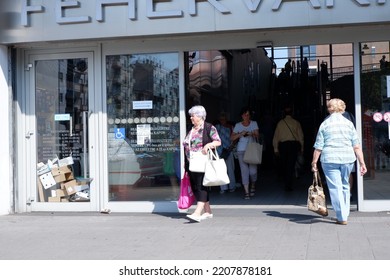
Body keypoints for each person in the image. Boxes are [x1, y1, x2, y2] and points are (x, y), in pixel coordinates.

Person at [311, 98, 367, 225]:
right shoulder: (349, 124)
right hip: (348, 159)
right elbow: (356, 146)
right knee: (345, 185)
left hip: (330, 159)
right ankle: (344, 212)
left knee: (335, 187)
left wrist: (314, 162)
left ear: (329, 108)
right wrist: (362, 163)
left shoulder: (325, 124)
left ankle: (341, 216)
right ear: (342, 108)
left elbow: (319, 146)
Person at [183, 105, 221, 222]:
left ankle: (197, 212)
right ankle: (208, 211)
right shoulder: (192, 129)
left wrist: (208, 145)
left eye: (192, 116)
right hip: (192, 162)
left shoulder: (209, 127)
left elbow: (218, 141)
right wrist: (186, 162)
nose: (191, 118)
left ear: (199, 116)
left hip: (203, 162)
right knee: (196, 186)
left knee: (201, 186)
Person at [272, 106, 304, 191]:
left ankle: (286, 182)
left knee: (284, 164)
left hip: (283, 146)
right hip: (293, 145)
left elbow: (276, 137)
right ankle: (288, 183)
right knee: (291, 164)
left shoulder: (280, 123)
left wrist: (276, 149)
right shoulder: (296, 123)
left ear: (284, 113)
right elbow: (300, 136)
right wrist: (302, 148)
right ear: (292, 113)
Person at [231, 107, 259, 199]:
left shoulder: (254, 123)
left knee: (253, 171)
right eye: (244, 114)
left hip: (252, 149)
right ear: (241, 115)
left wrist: (251, 133)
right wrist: (240, 134)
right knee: (244, 171)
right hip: (241, 149)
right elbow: (232, 138)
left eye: (247, 115)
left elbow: (257, 135)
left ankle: (253, 184)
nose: (246, 116)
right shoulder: (238, 125)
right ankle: (246, 192)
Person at [215, 112, 236, 194]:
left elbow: (234, 138)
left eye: (223, 119)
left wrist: (231, 147)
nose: (222, 120)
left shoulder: (231, 127)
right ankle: (223, 188)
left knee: (230, 169)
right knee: (221, 170)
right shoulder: (217, 128)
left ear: (226, 119)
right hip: (219, 151)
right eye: (221, 119)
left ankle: (232, 186)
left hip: (228, 150)